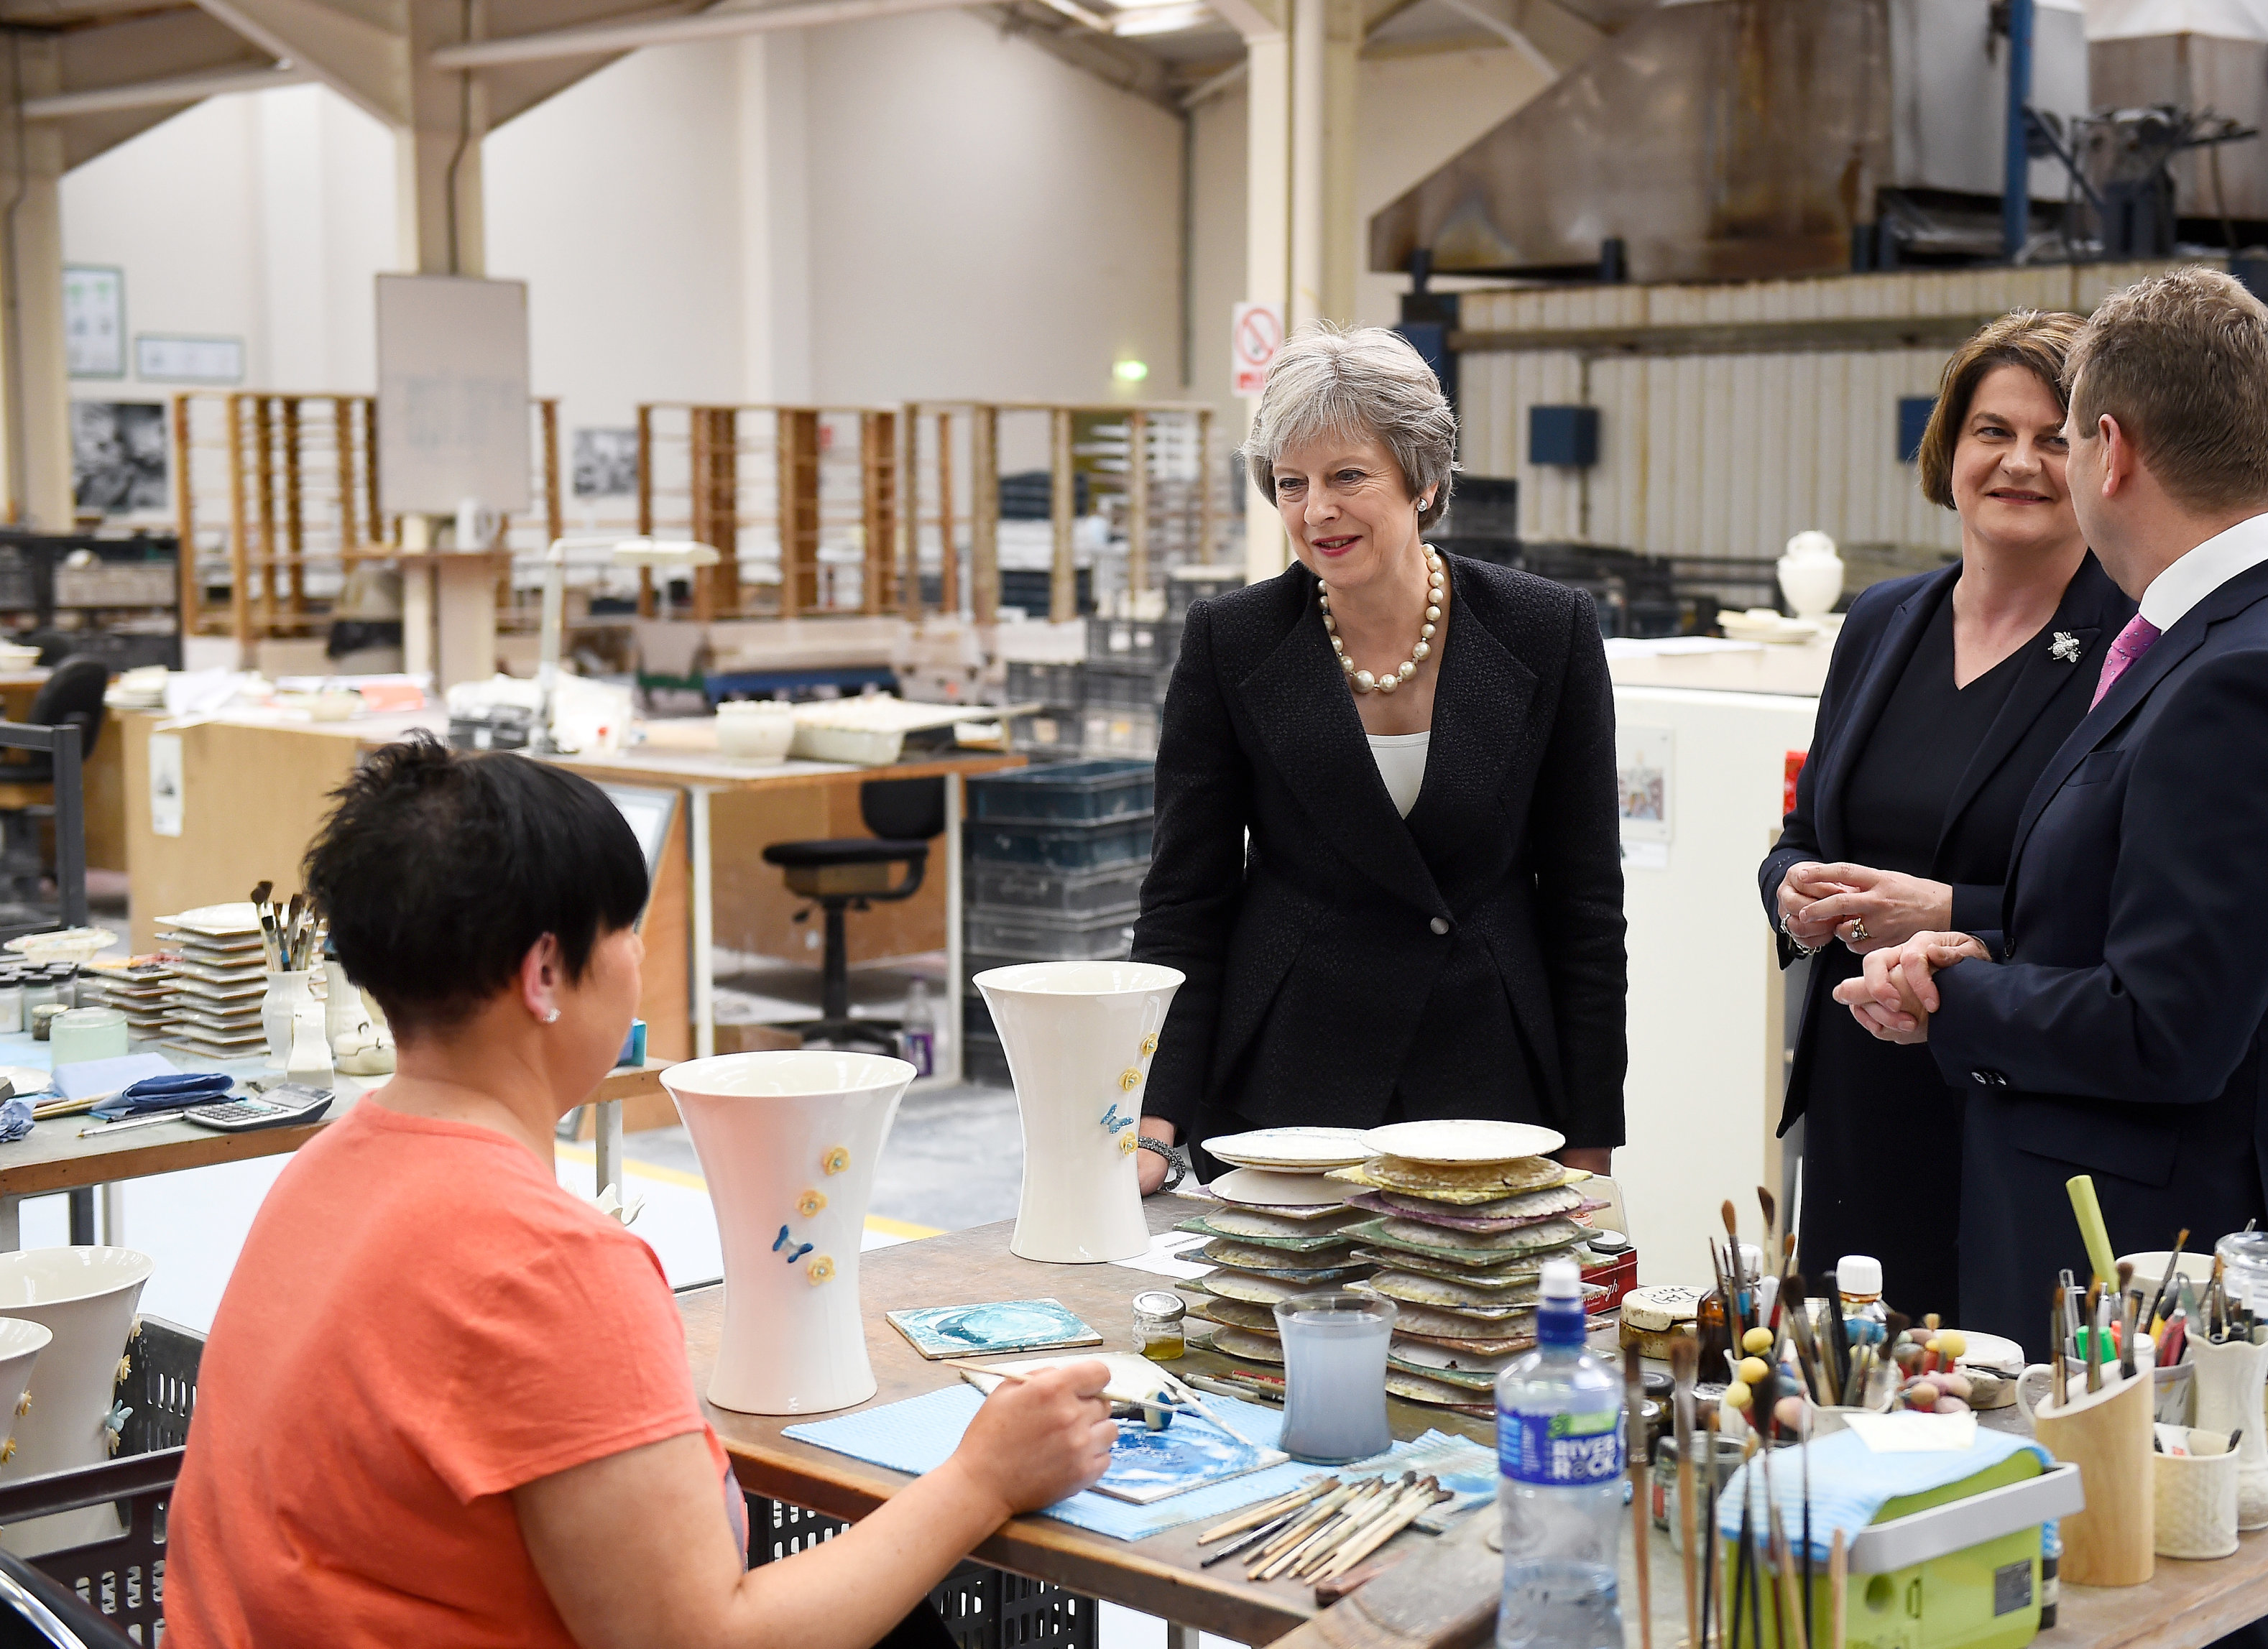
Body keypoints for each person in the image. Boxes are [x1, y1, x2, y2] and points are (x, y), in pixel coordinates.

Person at [165, 737, 1115, 1648]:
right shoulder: (548, 1261)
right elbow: (705, 1634)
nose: (633, 957)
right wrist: (983, 1478)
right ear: (544, 973)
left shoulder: (321, 1172)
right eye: (623, 929)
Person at [1838, 267, 2268, 1353]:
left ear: (2113, 450)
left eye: (2062, 438)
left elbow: (2169, 1028)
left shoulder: (2253, 678)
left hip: (2158, 1257)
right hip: (2154, 1231)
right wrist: (1984, 944)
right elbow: (2166, 934)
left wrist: (1954, 1003)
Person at [1128, 323, 1626, 1193]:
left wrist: (1588, 1144)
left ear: (1423, 479)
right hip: (1287, 1076)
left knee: (1471, 1324)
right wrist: (1147, 1116)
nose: (1316, 510)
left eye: (1347, 476)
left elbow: (1585, 907)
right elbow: (1183, 903)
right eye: (1291, 483)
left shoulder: (1547, 630)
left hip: (1487, 1071)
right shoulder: (1230, 641)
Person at [1759, 310, 2134, 1323]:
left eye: (2055, 438)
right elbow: (1806, 830)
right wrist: (1789, 886)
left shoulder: (2128, 650)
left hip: (2014, 1098)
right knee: (1856, 1395)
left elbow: (2123, 901)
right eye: (1992, 431)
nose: (2020, 462)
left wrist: (1946, 907)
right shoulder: (1886, 621)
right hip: (1858, 1094)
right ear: (1950, 448)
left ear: (2104, 455)